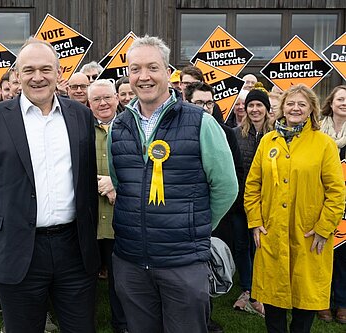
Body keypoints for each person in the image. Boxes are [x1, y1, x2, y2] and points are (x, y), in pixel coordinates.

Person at [0, 38, 99, 333]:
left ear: (59, 73)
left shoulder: (81, 116)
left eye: (45, 69)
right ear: (18, 75)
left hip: (74, 249)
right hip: (16, 248)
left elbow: (87, 183)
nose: (38, 77)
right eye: (29, 70)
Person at [108, 35, 238, 333]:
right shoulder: (119, 126)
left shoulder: (200, 122)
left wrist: (195, 225)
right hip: (131, 261)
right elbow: (121, 182)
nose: (144, 76)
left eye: (152, 67)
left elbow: (226, 186)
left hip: (183, 262)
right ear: (128, 74)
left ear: (169, 72)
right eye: (135, 68)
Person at [244, 83, 345, 333]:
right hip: (271, 232)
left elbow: (336, 191)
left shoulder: (324, 144)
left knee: (306, 295)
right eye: (290, 103)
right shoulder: (268, 141)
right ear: (282, 108)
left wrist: (324, 228)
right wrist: (255, 221)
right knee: (273, 296)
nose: (295, 108)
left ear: (311, 108)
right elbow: (252, 185)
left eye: (302, 104)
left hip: (309, 234)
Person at [184, 81, 245, 333]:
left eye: (209, 102)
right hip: (187, 215)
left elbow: (234, 175)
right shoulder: (178, 132)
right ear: (187, 102)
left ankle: (205, 320)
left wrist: (217, 214)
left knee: (210, 270)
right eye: (199, 103)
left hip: (217, 217)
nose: (205, 108)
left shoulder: (225, 132)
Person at [88, 79, 128, 333]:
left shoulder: (130, 127)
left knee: (120, 280)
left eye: (107, 98)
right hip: (89, 219)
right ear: (89, 104)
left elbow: (141, 167)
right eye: (96, 99)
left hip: (119, 219)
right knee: (84, 279)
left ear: (117, 98)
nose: (103, 103)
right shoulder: (79, 129)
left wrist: (115, 183)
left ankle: (122, 324)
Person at [232, 88, 273, 318]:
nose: (255, 109)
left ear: (267, 109)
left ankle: (262, 290)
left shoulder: (277, 134)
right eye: (251, 106)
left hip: (267, 204)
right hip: (240, 203)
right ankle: (247, 288)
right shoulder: (237, 134)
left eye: (259, 105)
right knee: (242, 246)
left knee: (261, 247)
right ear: (246, 109)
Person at [318, 85, 346, 325]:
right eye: (340, 99)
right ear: (331, 102)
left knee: (344, 257)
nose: (344, 103)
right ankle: (323, 302)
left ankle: (342, 304)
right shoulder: (318, 129)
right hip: (321, 200)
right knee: (324, 255)